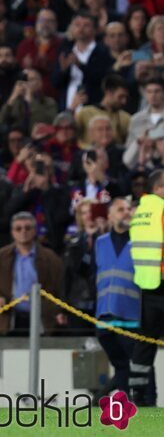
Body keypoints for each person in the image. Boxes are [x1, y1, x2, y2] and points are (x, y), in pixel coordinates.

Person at [0, 212, 65, 336]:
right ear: (12, 232)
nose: (23, 232)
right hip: (9, 320)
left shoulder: (50, 258)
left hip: (42, 319)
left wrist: (58, 310)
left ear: (35, 230)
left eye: (28, 228)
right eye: (18, 228)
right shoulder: (0, 257)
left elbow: (61, 286)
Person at [94, 198, 146, 396]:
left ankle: (145, 402)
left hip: (131, 315)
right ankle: (123, 405)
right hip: (104, 316)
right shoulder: (99, 242)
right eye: (120, 209)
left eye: (128, 209)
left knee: (138, 365)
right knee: (122, 367)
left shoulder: (141, 242)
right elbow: (90, 274)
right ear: (110, 216)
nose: (126, 212)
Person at [128, 168, 164, 406]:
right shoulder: (162, 209)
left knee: (145, 343)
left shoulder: (140, 212)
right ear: (159, 189)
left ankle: (138, 395)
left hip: (146, 285)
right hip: (162, 280)